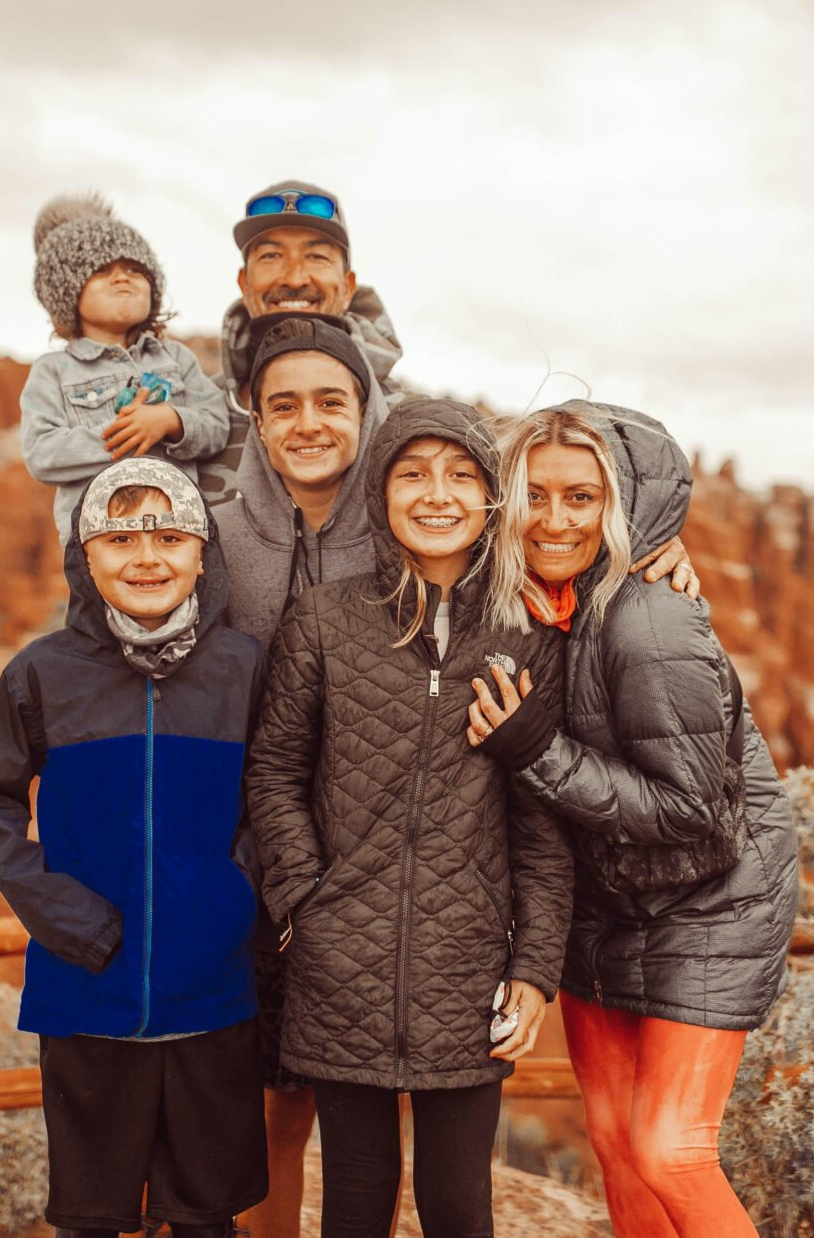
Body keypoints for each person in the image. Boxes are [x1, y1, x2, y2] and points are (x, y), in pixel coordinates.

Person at [244, 398, 575, 1238]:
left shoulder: (525, 635)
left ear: (491, 499)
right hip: (336, 962)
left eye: (462, 475)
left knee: (457, 1204)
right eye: (414, 475)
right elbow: (275, 771)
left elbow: (543, 825)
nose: (439, 494)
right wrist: (301, 905)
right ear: (382, 496)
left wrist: (534, 969)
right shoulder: (323, 619)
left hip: (469, 970)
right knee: (356, 1198)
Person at [468, 403, 800, 1238]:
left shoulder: (651, 614)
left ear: (619, 507)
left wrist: (535, 752)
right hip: (608, 896)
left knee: (669, 1149)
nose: (554, 519)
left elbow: (692, 811)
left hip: (710, 900)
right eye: (533, 495)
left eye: (581, 498)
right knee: (615, 1142)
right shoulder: (532, 600)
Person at [0, 458, 267, 1238]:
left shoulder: (244, 667)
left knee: (205, 1215)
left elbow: (279, 795)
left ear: (202, 551)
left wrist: (232, 902)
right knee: (89, 1219)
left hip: (212, 992)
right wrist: (64, 915)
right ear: (85, 558)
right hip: (85, 990)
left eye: (168, 534)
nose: (146, 556)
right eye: (119, 537)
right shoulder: (43, 673)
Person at [20, 192, 229, 545]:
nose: (122, 278)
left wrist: (172, 422)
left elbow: (217, 423)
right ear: (67, 294)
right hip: (98, 545)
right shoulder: (53, 371)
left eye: (134, 269)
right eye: (101, 271)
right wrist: (123, 434)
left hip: (181, 536)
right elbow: (42, 453)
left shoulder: (175, 358)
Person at [196, 180, 403, 511]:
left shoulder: (403, 420)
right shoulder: (191, 412)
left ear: (348, 287)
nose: (294, 278)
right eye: (271, 255)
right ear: (243, 283)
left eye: (316, 256)